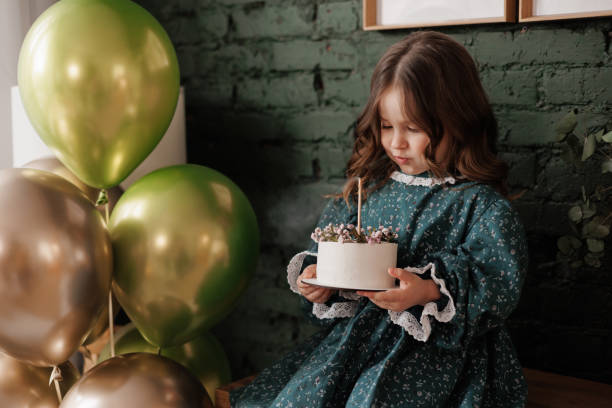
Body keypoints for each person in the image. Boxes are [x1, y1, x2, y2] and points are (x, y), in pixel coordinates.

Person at [231, 31, 528, 407]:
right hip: (353, 346)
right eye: (387, 126)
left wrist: (430, 290)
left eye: (414, 128)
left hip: (438, 357)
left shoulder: (480, 206)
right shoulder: (365, 192)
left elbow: (498, 281)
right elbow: (328, 257)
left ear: (459, 119)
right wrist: (318, 281)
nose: (396, 143)